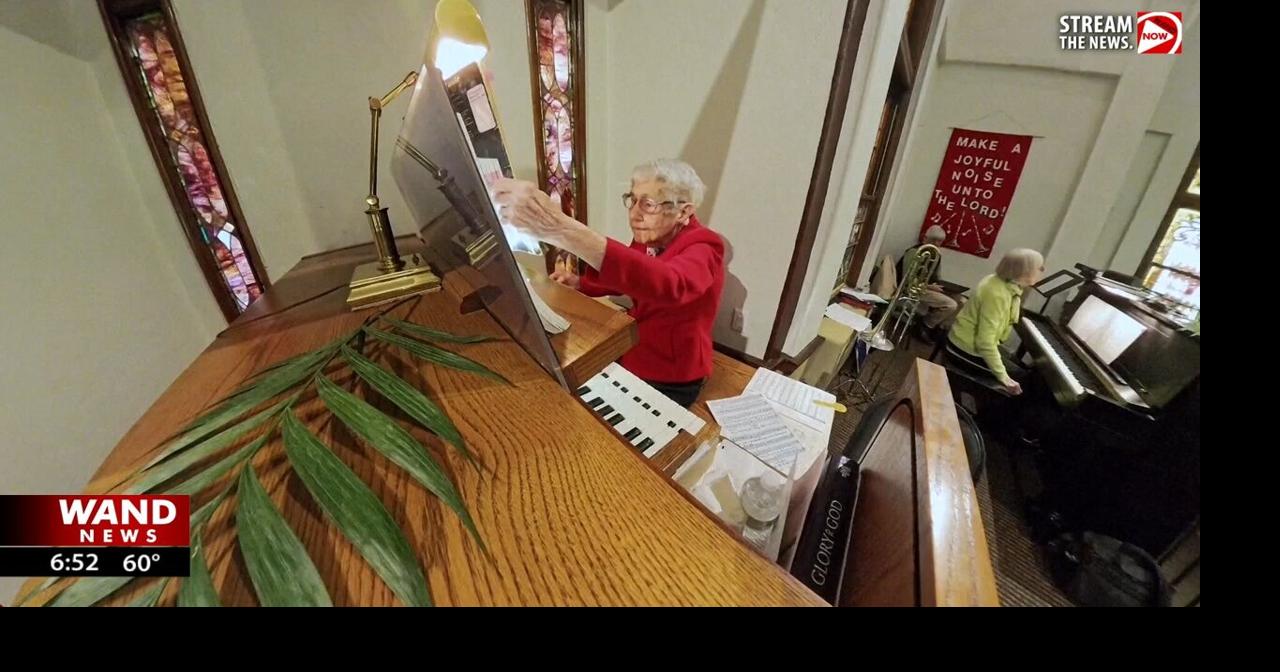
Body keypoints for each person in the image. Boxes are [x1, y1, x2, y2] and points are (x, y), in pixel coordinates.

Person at [493, 159, 724, 408]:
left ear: (683, 211)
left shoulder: (705, 246)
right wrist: (581, 283)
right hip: (632, 346)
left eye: (648, 204)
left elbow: (670, 284)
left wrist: (561, 228)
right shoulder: (652, 236)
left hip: (672, 371)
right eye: (632, 200)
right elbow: (632, 278)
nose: (635, 214)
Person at [944, 248, 1045, 396]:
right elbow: (984, 342)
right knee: (1025, 380)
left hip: (966, 342)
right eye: (1040, 267)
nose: (1043, 270)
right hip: (964, 349)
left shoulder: (1000, 282)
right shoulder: (997, 294)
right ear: (1025, 271)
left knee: (1024, 369)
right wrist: (1004, 378)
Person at [898, 225, 960, 330]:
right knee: (951, 305)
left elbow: (937, 276)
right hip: (911, 289)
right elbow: (908, 279)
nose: (936, 243)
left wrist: (940, 286)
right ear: (925, 239)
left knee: (960, 300)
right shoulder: (914, 252)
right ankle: (926, 325)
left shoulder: (937, 255)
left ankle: (939, 330)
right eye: (933, 240)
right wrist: (930, 287)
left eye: (939, 241)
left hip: (927, 287)